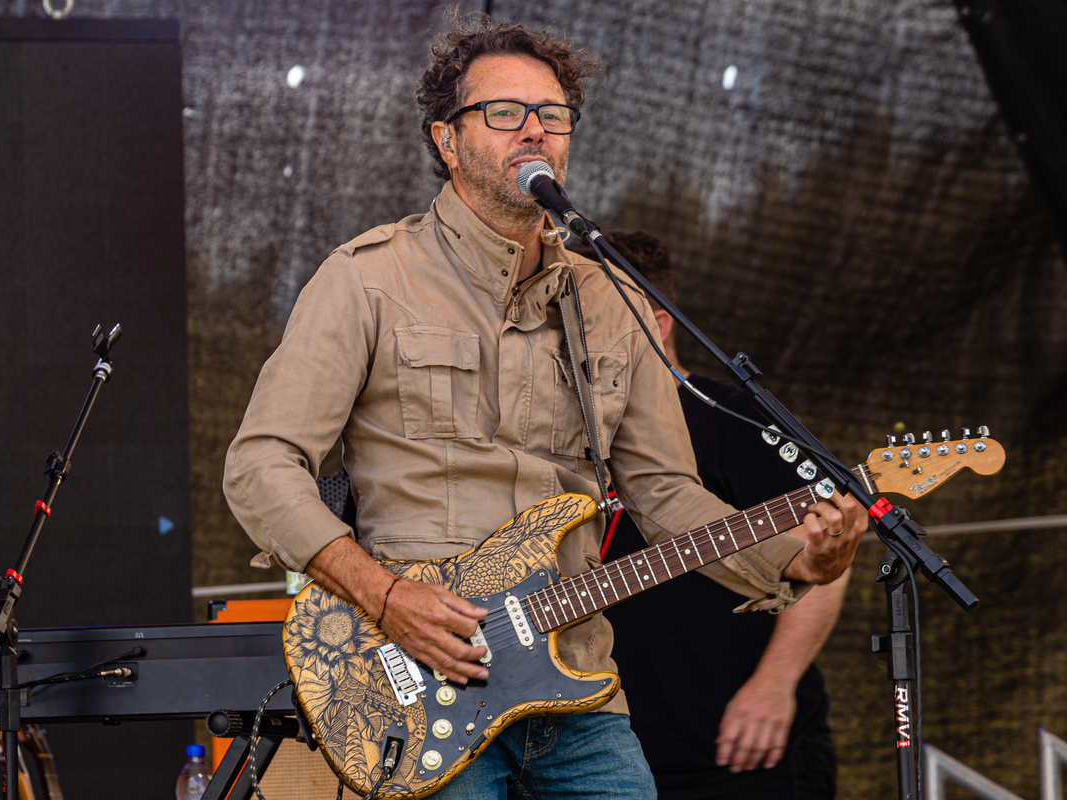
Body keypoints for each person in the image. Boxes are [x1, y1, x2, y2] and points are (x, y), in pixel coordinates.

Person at [224, 13, 867, 799]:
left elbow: (664, 492)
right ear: (446, 139)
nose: (533, 129)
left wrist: (797, 560)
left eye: (552, 115)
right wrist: (386, 597)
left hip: (579, 682)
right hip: (422, 678)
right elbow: (261, 465)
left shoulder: (608, 296)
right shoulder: (367, 279)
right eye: (504, 112)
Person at [568, 231, 847, 798]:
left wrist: (774, 684)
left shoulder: (734, 418)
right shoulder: (564, 434)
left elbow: (823, 556)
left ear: (658, 324)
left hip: (739, 753)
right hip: (609, 754)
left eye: (595, 319)